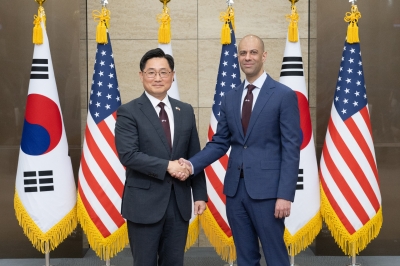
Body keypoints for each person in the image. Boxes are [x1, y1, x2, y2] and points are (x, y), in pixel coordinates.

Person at [177, 35, 300, 266]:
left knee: (276, 257)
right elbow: (220, 142)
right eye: (243, 53)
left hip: (269, 193)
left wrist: (285, 194)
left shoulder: (284, 95)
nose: (248, 57)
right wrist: (192, 165)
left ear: (264, 56)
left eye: (253, 52)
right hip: (235, 192)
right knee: (245, 257)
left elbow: (291, 148)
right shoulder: (230, 97)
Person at [115, 48, 207, 266]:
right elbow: (128, 155)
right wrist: (168, 165)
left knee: (174, 262)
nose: (158, 78)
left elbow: (194, 154)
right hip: (143, 204)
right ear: (141, 76)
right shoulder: (128, 111)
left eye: (164, 72)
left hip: (179, 203)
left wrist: (200, 194)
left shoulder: (184, 110)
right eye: (151, 72)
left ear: (172, 75)